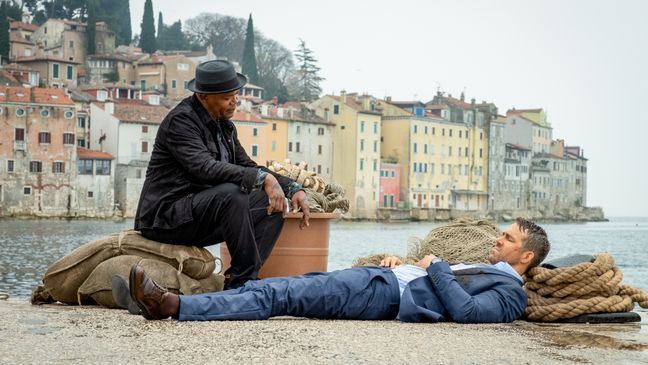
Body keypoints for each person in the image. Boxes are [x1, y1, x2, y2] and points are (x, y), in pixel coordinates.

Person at [128, 218, 550, 323]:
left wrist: (435, 265)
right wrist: (402, 265)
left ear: (526, 257)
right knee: (274, 287)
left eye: (509, 239)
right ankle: (179, 303)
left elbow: (469, 314)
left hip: (383, 296)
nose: (498, 239)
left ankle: (171, 305)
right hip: (383, 280)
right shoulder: (491, 268)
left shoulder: (510, 293)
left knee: (278, 296)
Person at [133, 60, 310, 290]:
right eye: (227, 97)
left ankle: (240, 282)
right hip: (166, 217)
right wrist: (264, 179)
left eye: (235, 95)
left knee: (272, 202)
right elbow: (204, 168)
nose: (235, 102)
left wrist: (292, 188)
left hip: (200, 213)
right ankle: (245, 282)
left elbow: (247, 165)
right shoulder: (181, 121)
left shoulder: (224, 126)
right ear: (203, 96)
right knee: (232, 193)